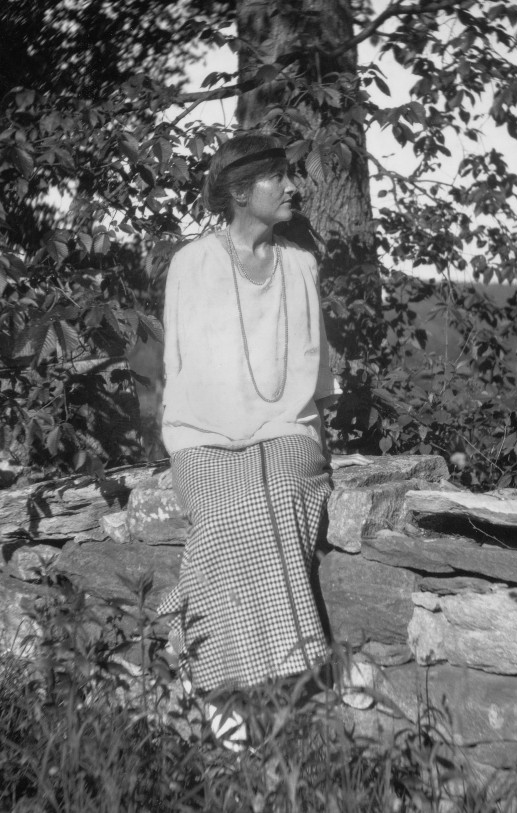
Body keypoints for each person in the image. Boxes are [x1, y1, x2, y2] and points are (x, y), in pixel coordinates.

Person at [157, 133, 342, 720]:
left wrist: (291, 431)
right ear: (241, 192)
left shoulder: (300, 266)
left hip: (287, 433)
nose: (294, 187)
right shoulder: (192, 264)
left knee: (276, 493)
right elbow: (183, 370)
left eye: (292, 174)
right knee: (228, 508)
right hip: (202, 436)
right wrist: (223, 434)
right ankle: (238, 695)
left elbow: (316, 375)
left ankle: (214, 684)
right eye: (278, 177)